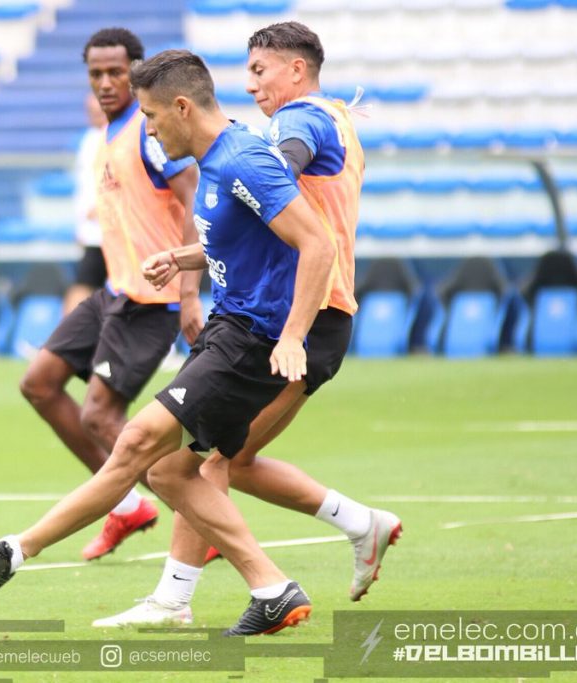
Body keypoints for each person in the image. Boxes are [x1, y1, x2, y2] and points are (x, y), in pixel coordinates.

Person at [0, 48, 336, 636]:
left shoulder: (242, 160)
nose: (152, 131)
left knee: (136, 442)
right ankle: (271, 587)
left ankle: (15, 551)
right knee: (165, 472)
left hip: (251, 340)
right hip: (230, 332)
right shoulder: (219, 159)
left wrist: (292, 335)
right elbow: (244, 241)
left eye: (154, 117)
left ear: (182, 108)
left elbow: (318, 245)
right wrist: (184, 256)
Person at [93, 22, 402, 629]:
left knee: (197, 463)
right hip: (317, 311)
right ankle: (361, 525)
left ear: (296, 69)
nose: (251, 85)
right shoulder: (336, 115)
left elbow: (272, 185)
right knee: (218, 460)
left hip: (302, 316)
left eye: (260, 71)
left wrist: (248, 177)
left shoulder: (297, 123)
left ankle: (189, 598)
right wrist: (192, 257)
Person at [16, 28, 203, 562]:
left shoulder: (148, 133)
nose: (104, 83)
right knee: (40, 383)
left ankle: (198, 518)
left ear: (137, 70)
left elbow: (194, 200)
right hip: (115, 291)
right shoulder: (107, 135)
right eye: (95, 74)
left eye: (115, 72)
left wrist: (190, 293)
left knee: (101, 415)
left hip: (153, 299)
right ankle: (124, 506)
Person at [63, 93, 108, 315]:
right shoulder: (90, 139)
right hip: (94, 233)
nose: (93, 113)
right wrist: (81, 225)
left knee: (85, 287)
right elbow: (84, 188)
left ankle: (60, 345)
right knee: (87, 286)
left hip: (111, 229)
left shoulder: (116, 137)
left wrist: (103, 205)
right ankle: (62, 345)